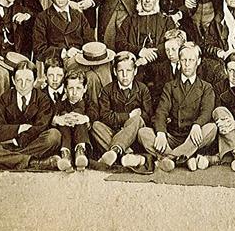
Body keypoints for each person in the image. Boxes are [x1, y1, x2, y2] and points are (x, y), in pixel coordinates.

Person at [138, 42, 217, 171]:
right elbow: (161, 111)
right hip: (172, 136)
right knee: (143, 133)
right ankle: (185, 157)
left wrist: (197, 124)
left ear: (198, 62)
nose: (187, 64)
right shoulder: (169, 86)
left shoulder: (206, 87)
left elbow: (207, 111)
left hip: (193, 136)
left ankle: (169, 158)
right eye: (184, 60)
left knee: (211, 128)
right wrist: (161, 133)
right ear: (179, 61)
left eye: (191, 60)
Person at [0, 61, 62, 170]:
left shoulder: (42, 99)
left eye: (28, 80)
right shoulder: (5, 98)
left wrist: (18, 140)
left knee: (54, 136)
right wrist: (19, 129)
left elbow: (41, 127)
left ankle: (4, 160)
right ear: (13, 81)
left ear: (35, 81)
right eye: (19, 80)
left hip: (31, 144)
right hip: (8, 145)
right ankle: (34, 162)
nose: (23, 85)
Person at [91, 51, 154, 171]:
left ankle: (116, 151)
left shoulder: (142, 89)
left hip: (133, 136)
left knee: (137, 119)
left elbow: (147, 116)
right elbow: (105, 116)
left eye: (129, 71)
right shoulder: (107, 90)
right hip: (113, 132)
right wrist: (129, 116)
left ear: (135, 71)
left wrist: (131, 122)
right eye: (120, 71)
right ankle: (127, 156)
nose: (125, 75)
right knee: (96, 126)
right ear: (115, 72)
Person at [33, 0, 95, 66]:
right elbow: (39, 49)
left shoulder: (79, 15)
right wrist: (63, 52)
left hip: (80, 58)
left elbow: (90, 42)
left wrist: (81, 53)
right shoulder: (42, 18)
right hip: (56, 63)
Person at [41, 60, 91, 172]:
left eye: (78, 88)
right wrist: (62, 119)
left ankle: (80, 151)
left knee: (79, 115)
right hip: (66, 137)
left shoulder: (89, 103)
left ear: (85, 89)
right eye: (70, 89)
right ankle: (66, 154)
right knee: (63, 114)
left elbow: (94, 113)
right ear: (65, 90)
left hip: (82, 137)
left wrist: (84, 118)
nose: (74, 93)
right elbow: (52, 115)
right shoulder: (60, 103)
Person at [116, 0, 175, 76]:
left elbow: (173, 43)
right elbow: (119, 43)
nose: (147, 0)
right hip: (136, 68)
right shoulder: (130, 20)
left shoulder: (167, 20)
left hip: (161, 70)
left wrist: (148, 57)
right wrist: (140, 51)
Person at [146, 28, 187, 108]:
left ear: (183, 47)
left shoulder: (191, 67)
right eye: (167, 50)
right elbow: (157, 95)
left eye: (173, 49)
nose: (170, 54)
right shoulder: (160, 69)